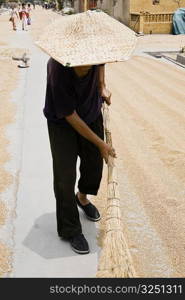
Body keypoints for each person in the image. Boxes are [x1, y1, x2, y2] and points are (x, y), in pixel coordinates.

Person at [36, 10, 136, 255]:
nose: (89, 62)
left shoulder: (96, 52)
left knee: (94, 166)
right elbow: (69, 115)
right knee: (64, 175)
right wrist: (102, 144)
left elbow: (101, 65)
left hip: (91, 113)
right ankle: (71, 229)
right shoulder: (57, 68)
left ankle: (82, 197)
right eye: (84, 61)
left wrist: (101, 86)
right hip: (62, 123)